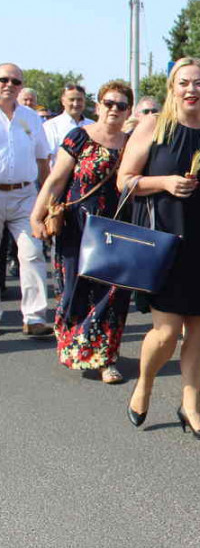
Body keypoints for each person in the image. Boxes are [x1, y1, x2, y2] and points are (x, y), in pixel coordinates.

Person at [118, 57, 200, 440]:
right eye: (184, 82)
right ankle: (144, 385)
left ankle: (191, 407)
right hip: (163, 243)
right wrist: (164, 183)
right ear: (173, 88)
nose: (192, 89)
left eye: (199, 83)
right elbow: (124, 180)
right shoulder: (154, 126)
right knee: (166, 332)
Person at [30, 80, 134, 383]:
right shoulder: (79, 137)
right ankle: (77, 345)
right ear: (98, 106)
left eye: (121, 105)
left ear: (128, 111)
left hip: (116, 229)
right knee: (75, 290)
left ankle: (106, 359)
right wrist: (37, 216)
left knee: (112, 294)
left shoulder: (132, 144)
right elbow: (55, 181)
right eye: (109, 103)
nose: (114, 109)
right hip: (77, 227)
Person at [0, 63, 52, 338]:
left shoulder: (31, 118)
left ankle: (34, 318)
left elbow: (43, 160)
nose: (9, 85)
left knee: (32, 253)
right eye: (3, 79)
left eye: (15, 81)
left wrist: (48, 199)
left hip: (25, 195)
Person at [44, 83, 93, 161]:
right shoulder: (51, 126)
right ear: (63, 101)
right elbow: (46, 158)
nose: (76, 104)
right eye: (72, 100)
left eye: (79, 100)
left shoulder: (93, 125)